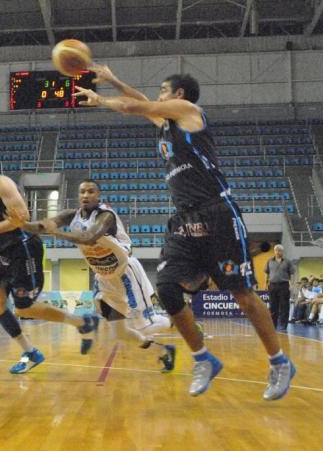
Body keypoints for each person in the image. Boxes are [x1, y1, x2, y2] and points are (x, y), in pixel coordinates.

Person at [73, 67, 295, 400]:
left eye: (163, 91)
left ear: (178, 94)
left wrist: (102, 98)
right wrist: (115, 80)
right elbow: (142, 102)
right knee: (167, 290)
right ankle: (203, 358)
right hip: (183, 219)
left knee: (242, 295)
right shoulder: (166, 124)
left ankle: (279, 362)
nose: (157, 96)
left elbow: (138, 106)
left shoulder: (190, 112)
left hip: (217, 212)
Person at [10, 179, 177, 371]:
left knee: (144, 326)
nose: (86, 195)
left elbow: (88, 238)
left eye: (90, 192)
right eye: (82, 192)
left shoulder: (106, 216)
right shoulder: (71, 215)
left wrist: (57, 234)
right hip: (104, 279)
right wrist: (22, 224)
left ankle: (177, 319)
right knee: (121, 332)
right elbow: (42, 226)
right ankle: (163, 351)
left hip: (126, 274)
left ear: (98, 196)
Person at [0, 142, 99, 374]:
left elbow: (22, 217)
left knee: (23, 309)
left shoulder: (1, 183)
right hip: (1, 252)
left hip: (22, 247)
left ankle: (80, 322)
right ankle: (31, 352)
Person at [264, 244, 295, 331]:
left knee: (284, 305)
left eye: (279, 250)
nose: (278, 252)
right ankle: (273, 325)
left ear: (282, 251)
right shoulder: (269, 261)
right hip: (273, 285)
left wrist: (291, 285)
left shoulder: (288, 262)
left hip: (284, 285)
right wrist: (266, 284)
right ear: (274, 251)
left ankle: (283, 325)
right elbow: (266, 273)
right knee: (273, 306)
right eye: (276, 250)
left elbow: (292, 274)